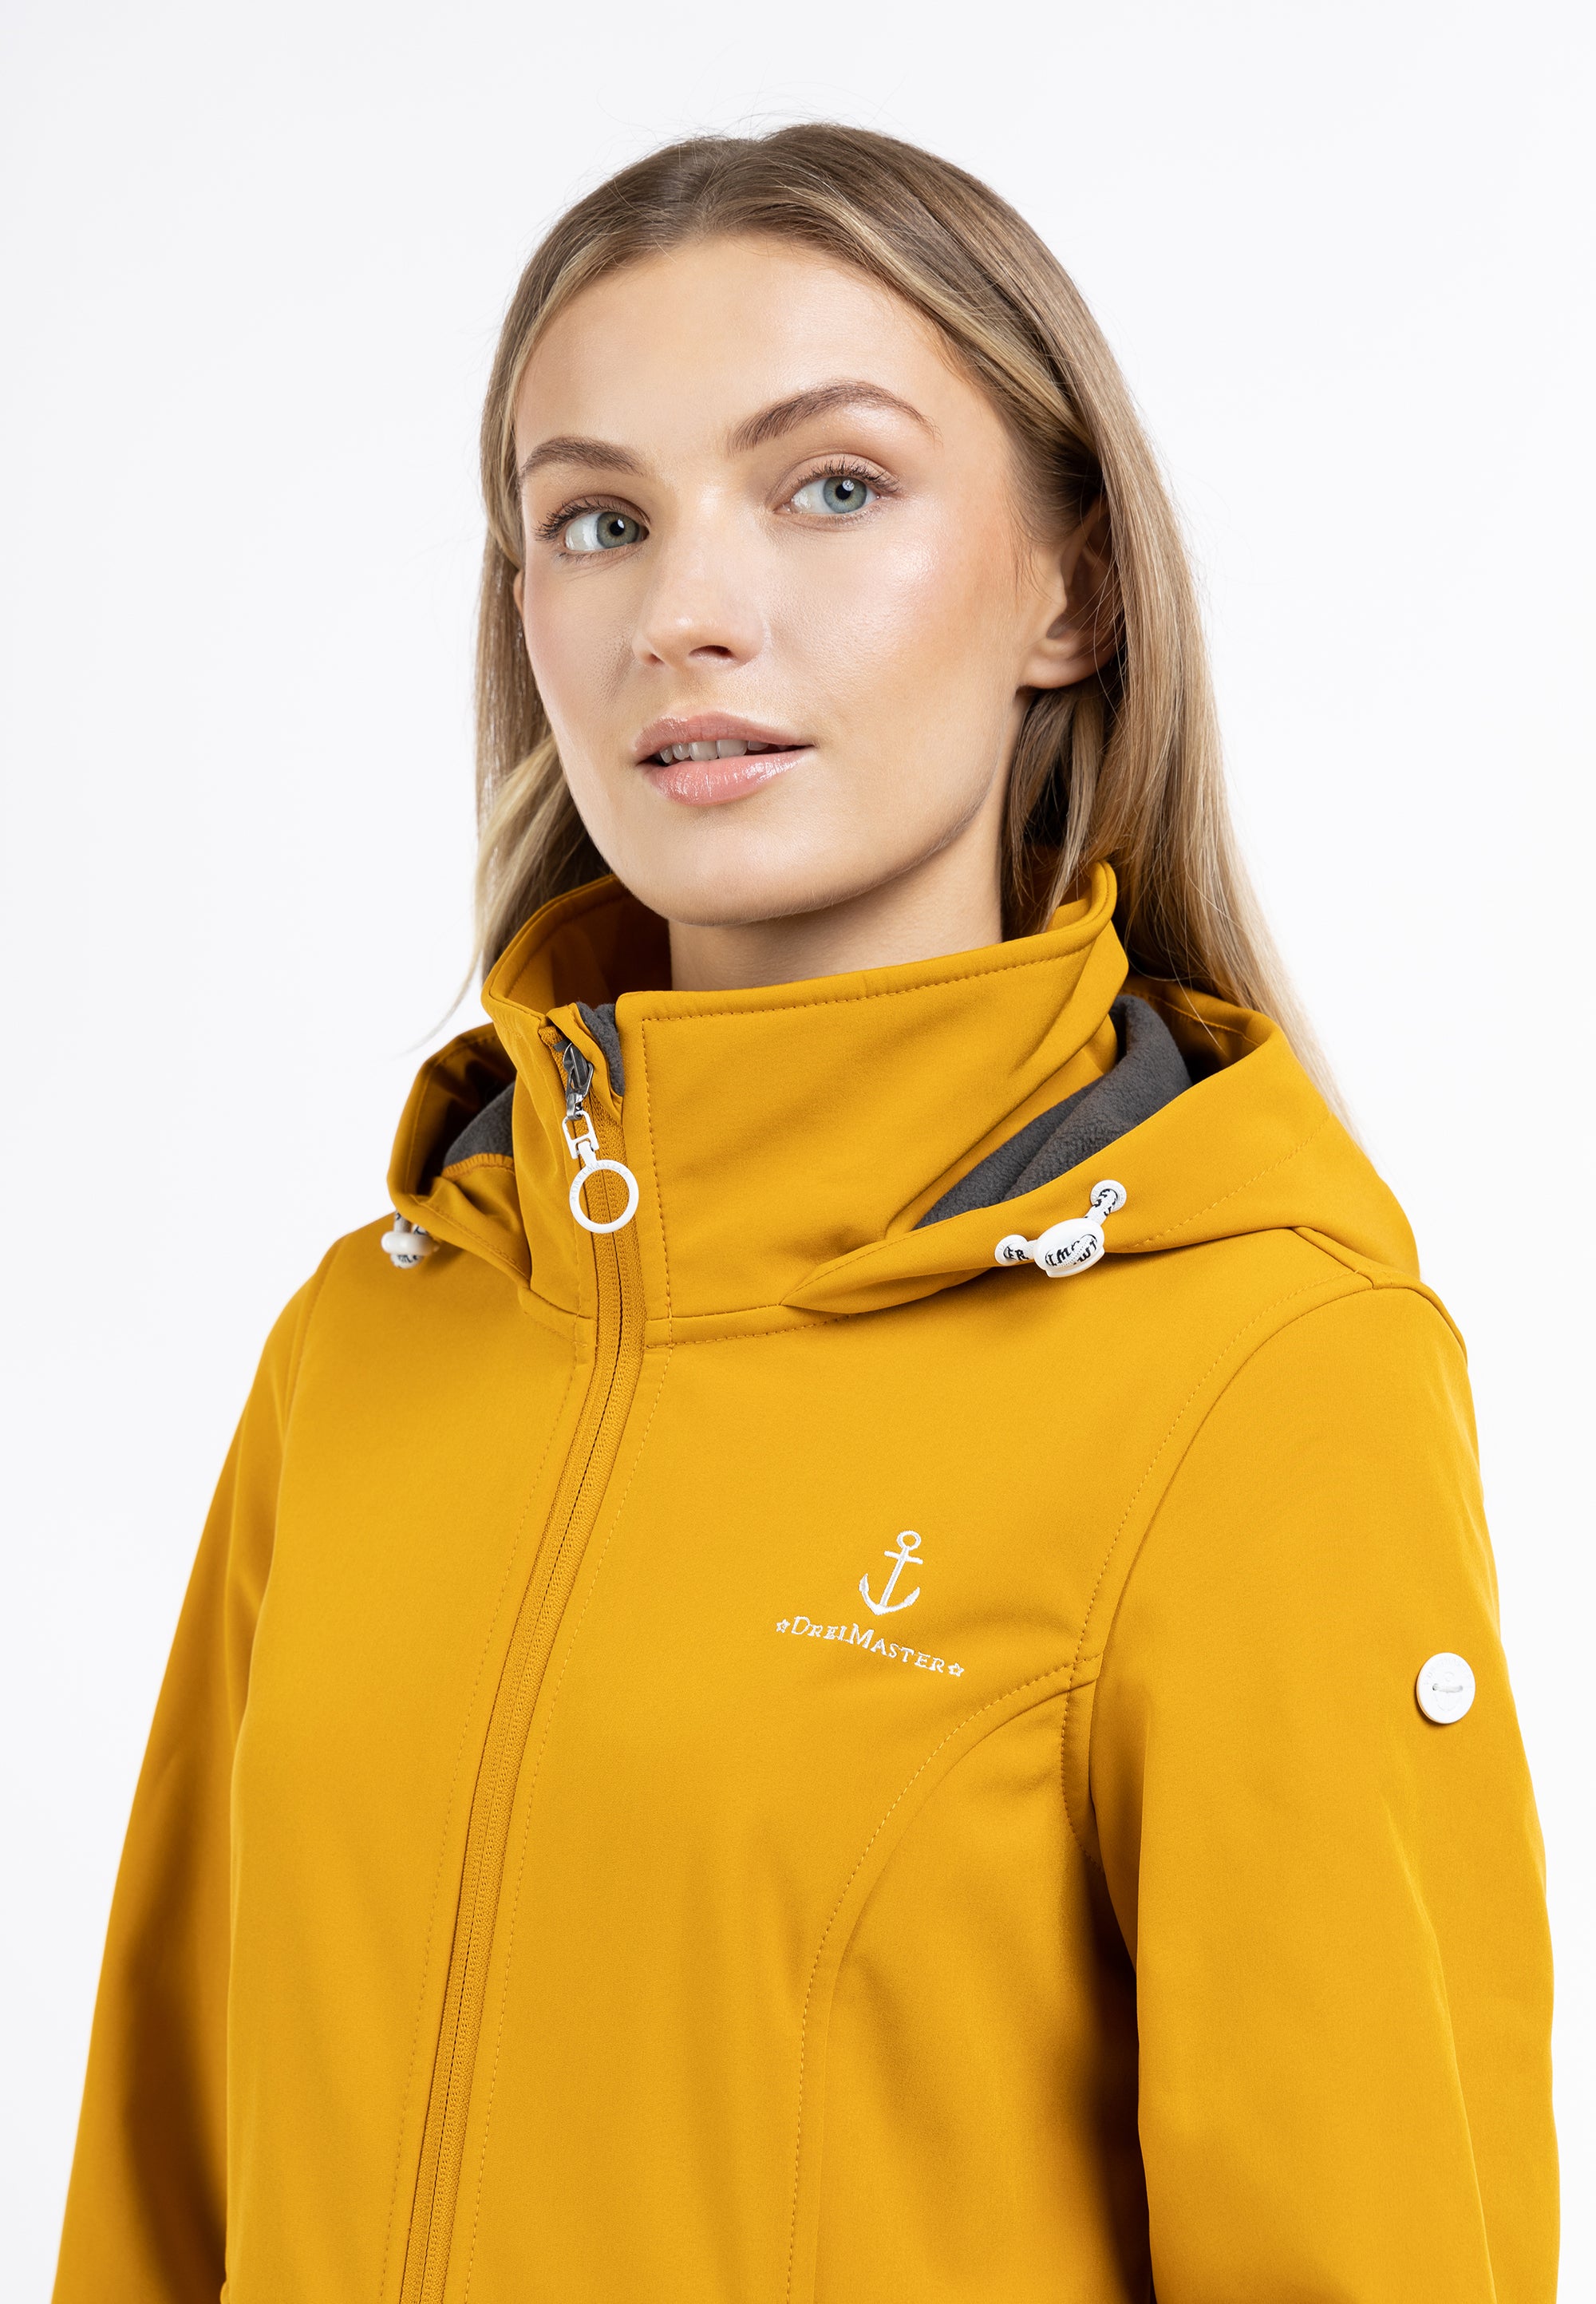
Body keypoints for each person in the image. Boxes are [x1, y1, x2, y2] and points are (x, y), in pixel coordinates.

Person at [54, 125, 1557, 2304]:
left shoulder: (1258, 1375)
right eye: (596, 521)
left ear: (1072, 588)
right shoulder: (365, 1350)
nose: (686, 612)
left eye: (832, 487)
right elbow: (156, 2205)